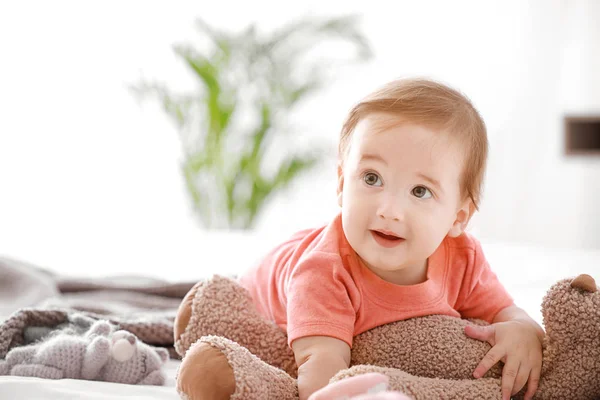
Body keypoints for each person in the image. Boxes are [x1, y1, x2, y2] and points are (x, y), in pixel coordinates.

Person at [239, 78, 544, 400]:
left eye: (420, 191)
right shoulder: (323, 271)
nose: (389, 210)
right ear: (342, 184)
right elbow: (322, 365)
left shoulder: (463, 257)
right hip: (262, 286)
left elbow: (506, 312)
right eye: (372, 178)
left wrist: (522, 329)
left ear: (458, 217)